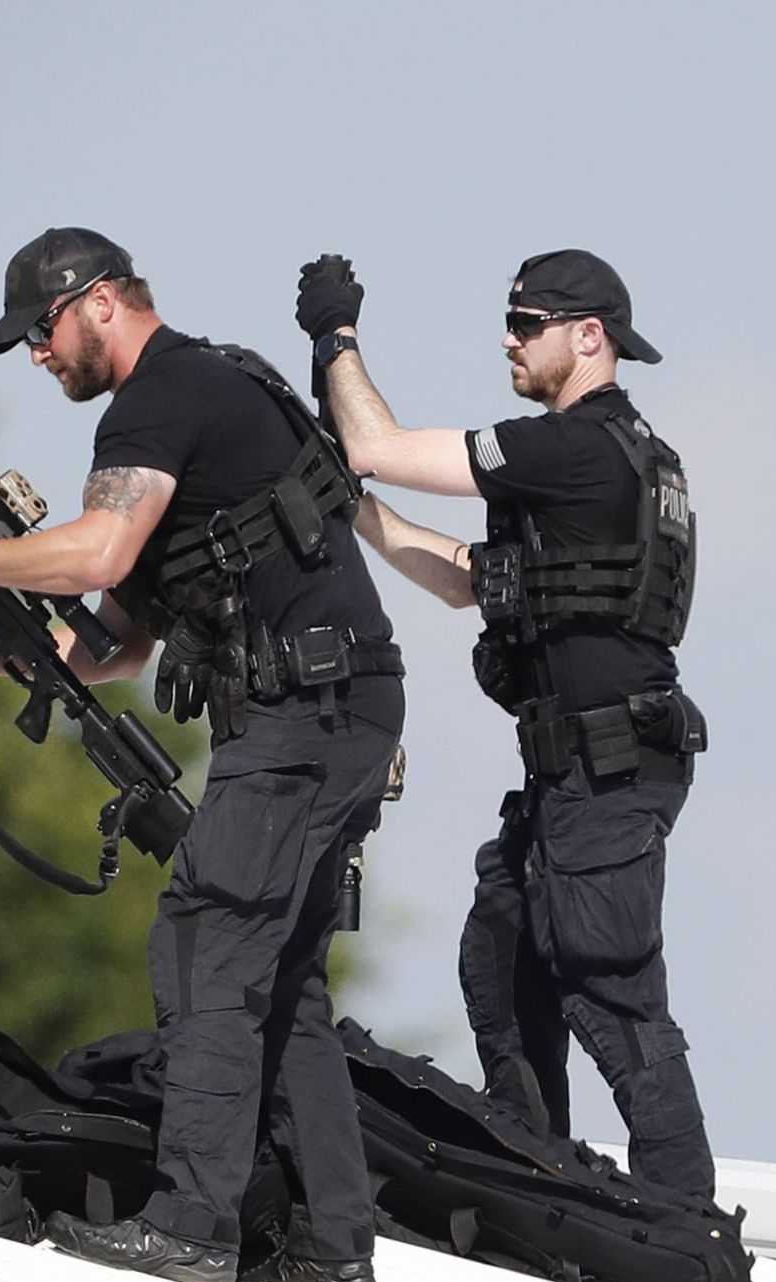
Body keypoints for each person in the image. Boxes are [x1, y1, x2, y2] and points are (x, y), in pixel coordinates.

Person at [0, 228, 404, 1282]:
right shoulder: (202, 395)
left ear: (95, 306)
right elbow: (118, 638)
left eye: (39, 333)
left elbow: (95, 553)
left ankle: (190, 1226)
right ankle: (330, 1241)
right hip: (329, 705)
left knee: (206, 940)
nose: (37, 356)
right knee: (280, 977)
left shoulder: (160, 397)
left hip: (303, 712)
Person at [293, 249, 715, 1204]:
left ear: (588, 337)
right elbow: (461, 577)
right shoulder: (611, 461)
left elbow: (375, 440)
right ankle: (543, 1183)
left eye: (527, 324)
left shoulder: (573, 448)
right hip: (582, 774)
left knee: (609, 993)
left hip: (606, 771)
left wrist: (336, 339)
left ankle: (686, 1222)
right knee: (503, 958)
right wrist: (351, 507)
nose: (508, 339)